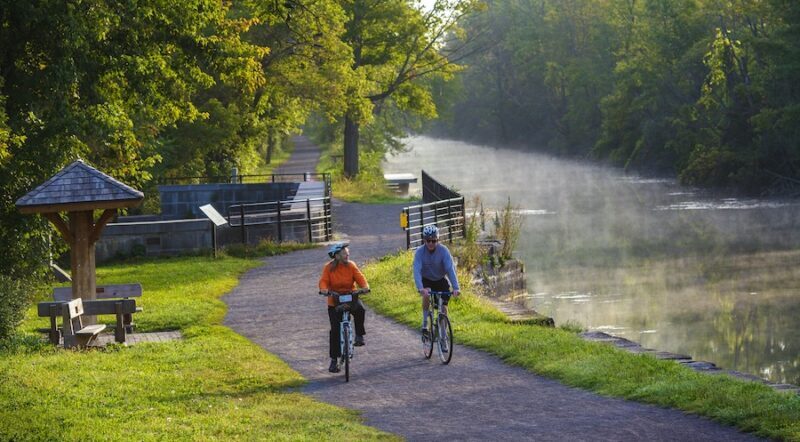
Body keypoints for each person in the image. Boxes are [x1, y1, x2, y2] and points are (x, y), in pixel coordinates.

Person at [319, 242, 369, 373]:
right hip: (334, 300)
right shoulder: (328, 268)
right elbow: (323, 281)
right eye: (344, 253)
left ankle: (359, 336)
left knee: (360, 309)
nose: (347, 255)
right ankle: (334, 360)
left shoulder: (351, 266)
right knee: (334, 330)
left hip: (350, 296)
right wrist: (324, 290)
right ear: (336, 256)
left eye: (347, 253)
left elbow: (360, 278)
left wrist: (364, 288)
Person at [413, 225, 460, 340]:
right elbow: (417, 271)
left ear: (438, 240)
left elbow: (450, 269)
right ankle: (425, 323)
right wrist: (420, 288)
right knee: (427, 294)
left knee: (443, 306)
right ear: (424, 240)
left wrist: (456, 288)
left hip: (440, 279)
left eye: (433, 241)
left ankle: (443, 334)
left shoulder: (444, 251)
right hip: (426, 279)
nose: (430, 243)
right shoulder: (419, 252)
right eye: (428, 241)